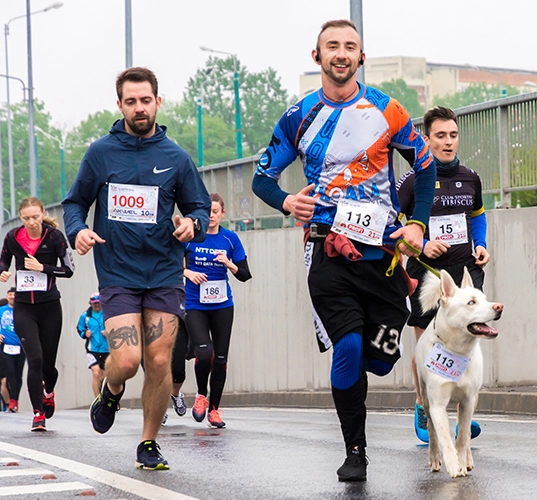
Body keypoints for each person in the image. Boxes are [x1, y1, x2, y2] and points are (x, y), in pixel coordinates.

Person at [252, 19, 435, 482]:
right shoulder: (299, 116)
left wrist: (416, 223)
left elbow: (426, 166)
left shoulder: (387, 110)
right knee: (348, 347)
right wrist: (287, 201)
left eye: (349, 47)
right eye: (331, 46)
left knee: (380, 357)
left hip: (385, 256)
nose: (341, 53)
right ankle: (356, 451)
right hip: (327, 253)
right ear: (317, 57)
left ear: (361, 57)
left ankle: (372, 365)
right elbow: (261, 178)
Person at [62, 66, 211, 470]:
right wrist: (77, 230)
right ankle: (111, 390)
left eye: (146, 100)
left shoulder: (176, 158)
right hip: (119, 273)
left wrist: (191, 223)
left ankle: (148, 442)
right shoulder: (101, 153)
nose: (139, 108)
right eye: (131, 101)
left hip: (164, 271)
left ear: (158, 102)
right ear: (120, 105)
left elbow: (198, 206)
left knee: (160, 361)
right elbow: (75, 202)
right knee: (127, 360)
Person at [396, 106, 489, 443]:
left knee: (466, 342)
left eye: (453, 135)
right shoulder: (412, 181)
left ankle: (462, 408)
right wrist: (421, 245)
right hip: (427, 275)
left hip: (465, 273)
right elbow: (393, 226)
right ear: (427, 139)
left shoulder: (470, 177)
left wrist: (481, 244)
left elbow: (477, 215)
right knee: (427, 344)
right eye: (440, 136)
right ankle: (425, 407)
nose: (448, 142)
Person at [0, 198, 74, 430]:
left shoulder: (54, 237)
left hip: (50, 306)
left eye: (35, 217)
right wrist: (2, 272)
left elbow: (69, 270)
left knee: (48, 365)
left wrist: (43, 268)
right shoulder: (13, 237)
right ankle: (38, 413)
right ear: (21, 218)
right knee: (35, 358)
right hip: (24, 308)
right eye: (26, 218)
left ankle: (48, 391)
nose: (31, 222)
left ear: (43, 214)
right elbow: (3, 261)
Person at [183, 193, 251, 428]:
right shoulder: (190, 238)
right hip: (194, 304)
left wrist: (228, 263)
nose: (211, 216)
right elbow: (171, 265)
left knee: (220, 359)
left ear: (222, 214)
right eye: (207, 211)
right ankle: (201, 395)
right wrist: (188, 273)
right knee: (204, 353)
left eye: (215, 211)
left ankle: (214, 409)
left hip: (222, 305)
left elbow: (244, 274)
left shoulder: (230, 239)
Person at [77, 293, 110, 397]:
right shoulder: (85, 316)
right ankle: (97, 401)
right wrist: (85, 334)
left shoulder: (107, 314)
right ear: (90, 303)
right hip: (92, 349)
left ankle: (105, 398)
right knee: (96, 373)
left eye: (98, 303)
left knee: (105, 376)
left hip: (107, 349)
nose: (96, 305)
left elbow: (116, 329)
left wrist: (109, 333)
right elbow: (80, 329)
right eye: (94, 303)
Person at [1, 288, 24, 413]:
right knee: (9, 373)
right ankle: (11, 401)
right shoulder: (2, 310)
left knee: (18, 374)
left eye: (14, 295)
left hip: (21, 346)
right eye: (10, 294)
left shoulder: (23, 310)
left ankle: (15, 398)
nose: (12, 297)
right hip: (6, 346)